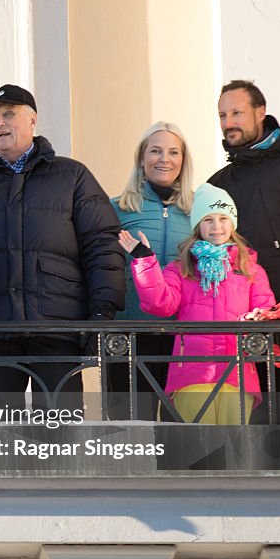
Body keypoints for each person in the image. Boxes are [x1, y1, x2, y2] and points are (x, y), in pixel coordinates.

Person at [0, 84, 124, 410]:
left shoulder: (72, 176)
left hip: (58, 332)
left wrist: (101, 314)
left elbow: (101, 246)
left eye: (8, 114)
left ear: (32, 121)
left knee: (62, 440)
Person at [208, 80, 280, 424]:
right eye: (223, 115)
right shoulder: (219, 182)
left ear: (261, 113)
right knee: (253, 425)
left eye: (237, 112)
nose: (229, 122)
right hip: (241, 326)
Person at [119, 183, 276, 425]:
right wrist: (145, 262)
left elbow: (267, 313)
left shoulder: (251, 270)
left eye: (223, 218)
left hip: (237, 374)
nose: (216, 227)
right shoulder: (181, 268)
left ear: (232, 222)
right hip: (191, 375)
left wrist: (266, 323)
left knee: (234, 452)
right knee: (198, 452)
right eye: (208, 219)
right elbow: (161, 304)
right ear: (197, 226)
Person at [108, 122, 195, 420]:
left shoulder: (198, 211)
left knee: (178, 433)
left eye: (173, 152)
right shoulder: (116, 208)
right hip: (130, 334)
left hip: (183, 337)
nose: (164, 159)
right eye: (155, 151)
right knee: (130, 432)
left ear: (183, 160)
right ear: (141, 158)